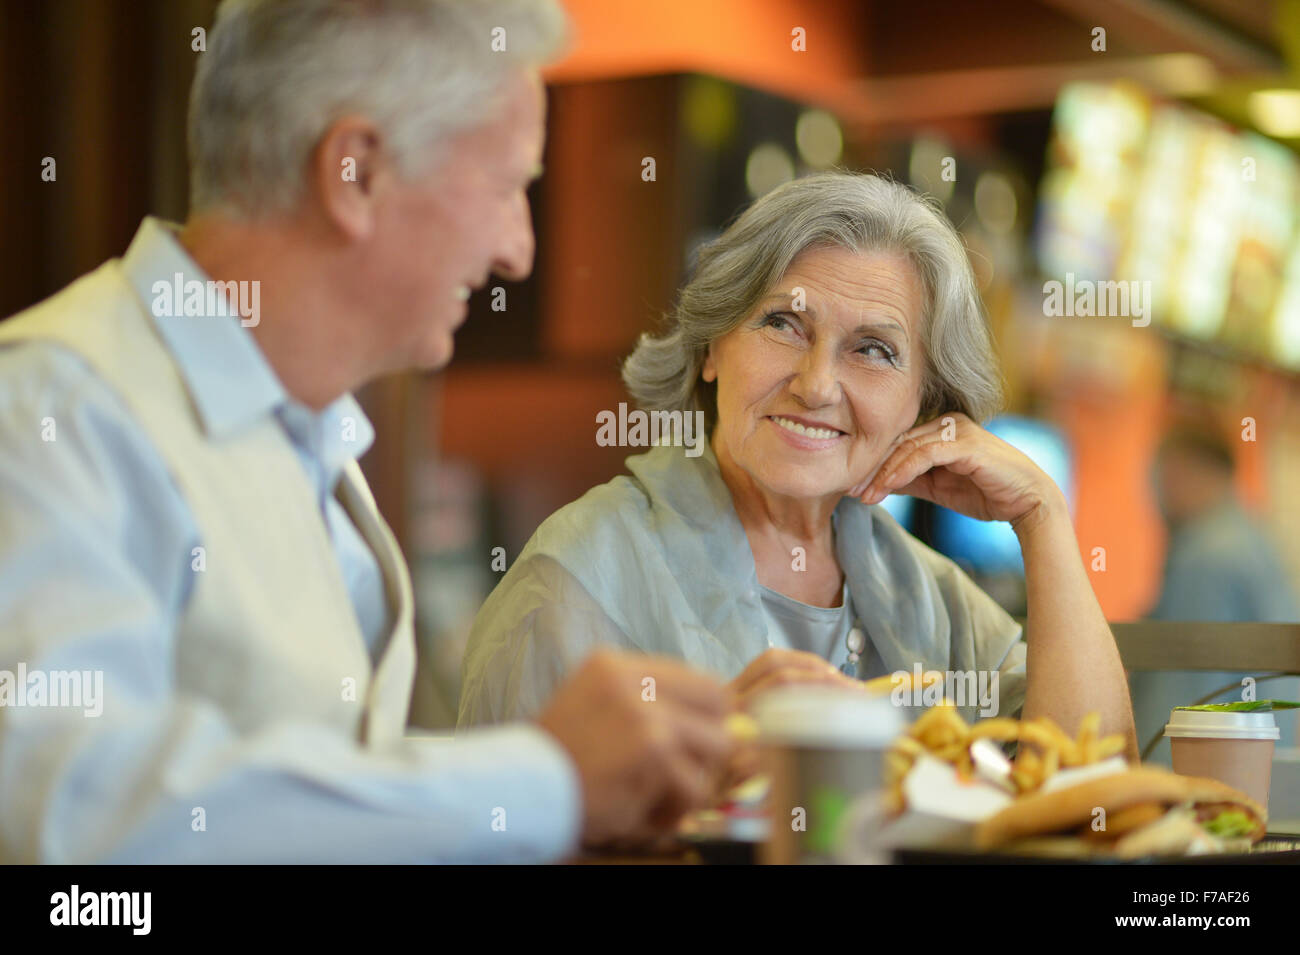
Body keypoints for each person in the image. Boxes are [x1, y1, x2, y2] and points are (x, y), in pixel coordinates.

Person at [0, 0, 736, 863]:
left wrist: (580, 802)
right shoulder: (51, 407)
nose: (519, 251)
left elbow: (315, 789)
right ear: (354, 172)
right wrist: (545, 780)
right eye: (507, 187)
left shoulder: (312, 435)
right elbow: (73, 816)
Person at [460, 171, 1140, 761]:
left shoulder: (933, 597)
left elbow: (1095, 800)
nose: (816, 385)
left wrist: (1043, 516)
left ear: (923, 405)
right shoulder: (579, 573)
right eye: (783, 324)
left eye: (873, 349)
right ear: (712, 348)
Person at [1130, 422, 1300, 763]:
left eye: (1161, 478)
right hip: (1267, 764)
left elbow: (1182, 697)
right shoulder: (1252, 536)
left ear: (1187, 472)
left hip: (1214, 775)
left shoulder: (1206, 557)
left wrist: (1145, 775)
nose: (1156, 495)